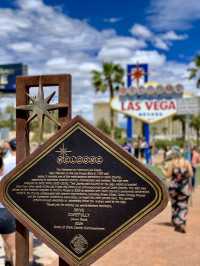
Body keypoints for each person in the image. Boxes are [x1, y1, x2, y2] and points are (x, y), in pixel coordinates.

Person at [162, 146, 193, 233]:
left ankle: (175, 221)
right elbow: (191, 173)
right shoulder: (186, 162)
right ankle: (181, 222)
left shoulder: (172, 163)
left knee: (174, 205)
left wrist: (163, 170)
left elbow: (167, 175)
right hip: (184, 188)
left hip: (173, 187)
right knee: (182, 205)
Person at [0, 154, 16, 266]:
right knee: (13, 248)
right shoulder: (5, 181)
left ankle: (7, 262)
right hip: (5, 215)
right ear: (1, 168)